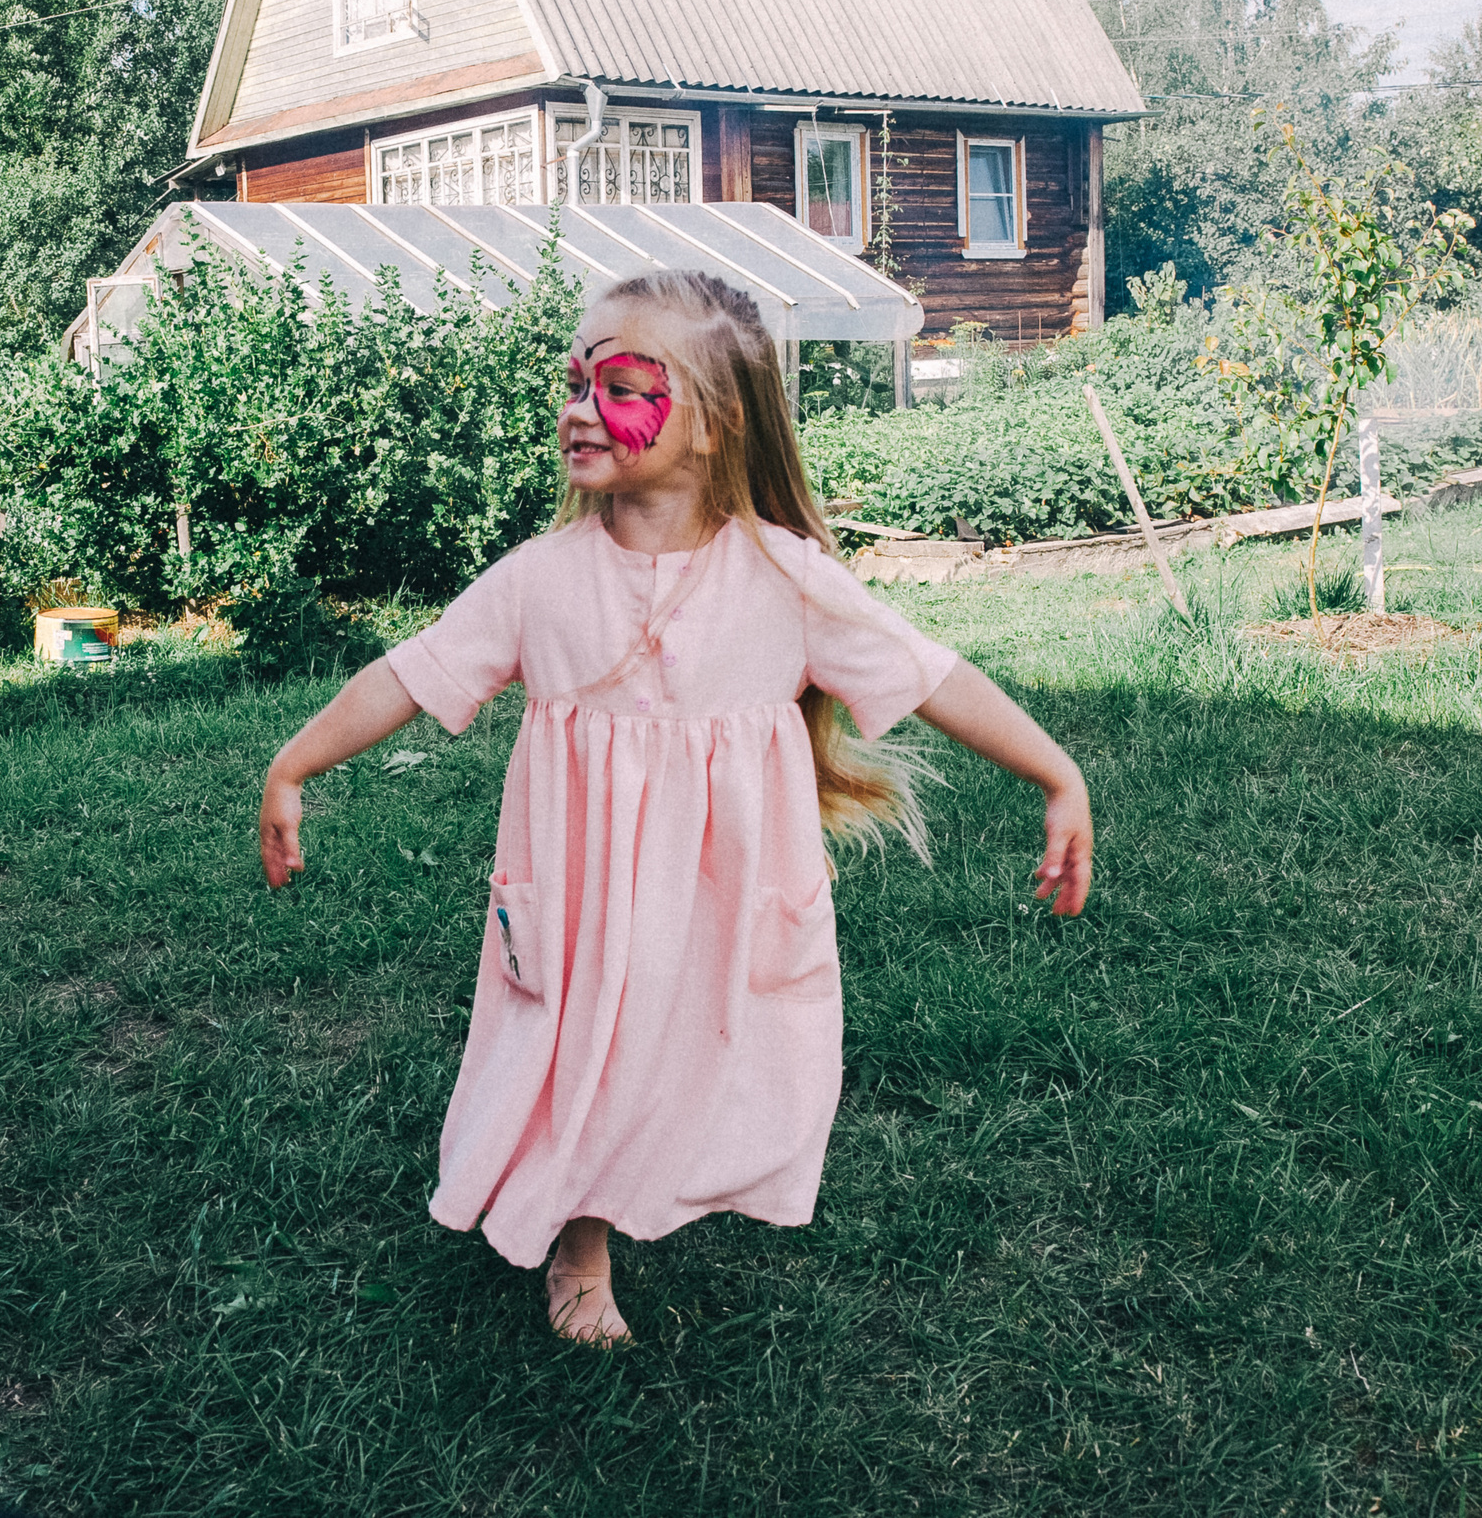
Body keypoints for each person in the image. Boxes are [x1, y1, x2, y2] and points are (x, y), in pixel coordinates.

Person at [257, 272, 1092, 1346]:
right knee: (579, 1046)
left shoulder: (783, 579)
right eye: (572, 381)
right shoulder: (538, 581)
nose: (578, 406)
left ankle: (664, 1177)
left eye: (620, 383)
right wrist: (293, 765)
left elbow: (927, 674)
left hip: (722, 891)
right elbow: (410, 673)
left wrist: (1055, 772)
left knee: (694, 1046)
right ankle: (583, 1239)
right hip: (577, 888)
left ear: (715, 424)